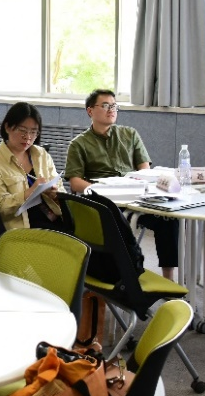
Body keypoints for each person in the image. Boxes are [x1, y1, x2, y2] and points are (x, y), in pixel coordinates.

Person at [65, 89, 179, 280]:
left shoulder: (130, 134)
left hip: (135, 197)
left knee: (168, 218)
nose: (111, 110)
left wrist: (141, 182)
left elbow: (144, 170)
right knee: (117, 222)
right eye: (105, 105)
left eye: (114, 106)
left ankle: (169, 276)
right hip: (105, 201)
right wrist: (98, 190)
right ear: (90, 111)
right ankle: (126, 273)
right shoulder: (79, 144)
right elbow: (75, 182)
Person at [0, 102, 68, 231]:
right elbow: (0, 209)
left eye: (33, 132)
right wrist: (30, 192)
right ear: (7, 127)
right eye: (22, 130)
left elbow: (60, 188)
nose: (28, 137)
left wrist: (55, 194)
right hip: (25, 228)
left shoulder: (41, 154)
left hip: (55, 218)